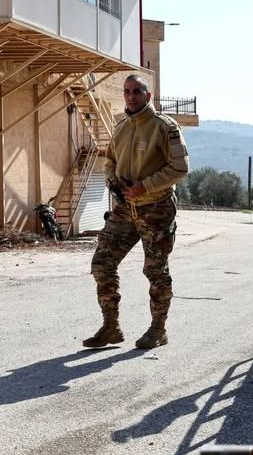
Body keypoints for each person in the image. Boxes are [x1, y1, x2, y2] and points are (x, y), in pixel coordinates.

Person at [83, 74, 189, 349]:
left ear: (148, 95)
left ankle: (158, 330)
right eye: (127, 91)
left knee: (155, 270)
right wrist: (113, 182)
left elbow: (180, 168)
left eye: (137, 91)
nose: (131, 96)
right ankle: (111, 327)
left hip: (156, 209)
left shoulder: (165, 127)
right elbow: (110, 161)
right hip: (125, 208)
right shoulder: (121, 127)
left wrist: (145, 186)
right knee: (102, 264)